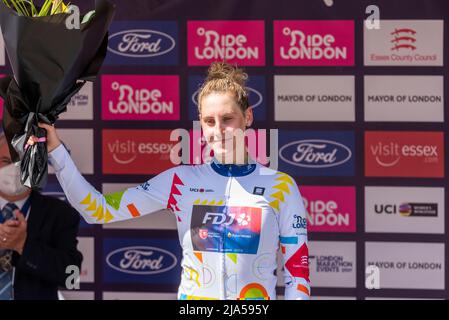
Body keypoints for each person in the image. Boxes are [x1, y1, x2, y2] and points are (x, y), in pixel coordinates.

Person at [39, 62, 310, 300]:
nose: (219, 131)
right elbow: (96, 209)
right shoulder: (181, 181)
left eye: (227, 119)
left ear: (247, 117)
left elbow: (297, 273)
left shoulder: (281, 187)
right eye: (209, 121)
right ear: (201, 125)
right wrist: (56, 151)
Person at [0, 133, 83, 300]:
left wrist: (23, 246)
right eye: (6, 161)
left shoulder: (61, 214)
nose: (15, 170)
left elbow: (71, 278)